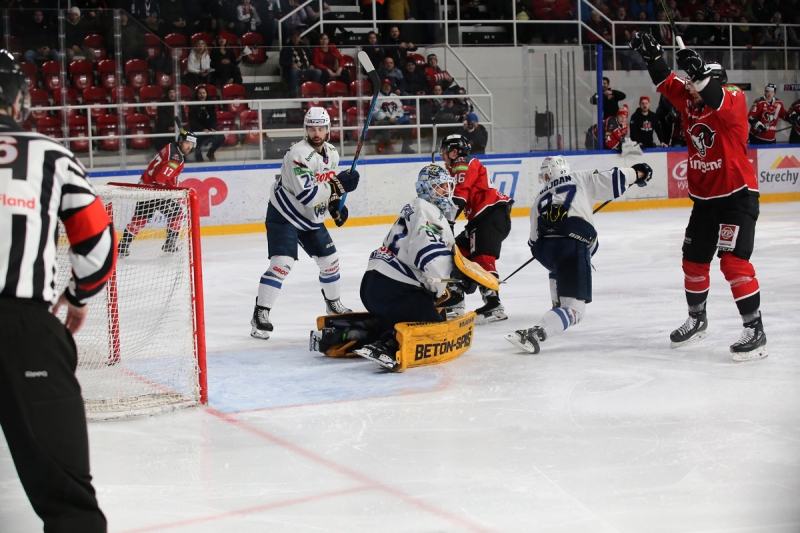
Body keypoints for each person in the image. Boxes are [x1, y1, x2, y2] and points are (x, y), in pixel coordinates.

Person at [0, 49, 112, 532]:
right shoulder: (48, 154)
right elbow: (97, 243)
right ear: (18, 100)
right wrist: (79, 296)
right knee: (70, 507)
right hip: (24, 328)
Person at [630, 31, 768, 361]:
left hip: (737, 197)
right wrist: (653, 56)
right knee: (692, 260)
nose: (688, 87)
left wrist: (700, 73)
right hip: (705, 201)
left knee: (733, 262)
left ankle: (755, 329)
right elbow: (666, 81)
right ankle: (697, 319)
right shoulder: (691, 102)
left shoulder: (732, 98)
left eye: (694, 82)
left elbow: (717, 97)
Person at [505, 156, 652, 354]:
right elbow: (614, 177)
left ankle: (558, 304)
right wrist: (638, 173)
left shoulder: (539, 196)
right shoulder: (579, 177)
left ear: (547, 175)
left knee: (558, 264)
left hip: (543, 249)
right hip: (572, 244)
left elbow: (533, 240)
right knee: (575, 309)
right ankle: (537, 332)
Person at [251, 107, 359, 339]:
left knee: (330, 262)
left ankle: (333, 304)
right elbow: (307, 196)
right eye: (312, 128)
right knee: (282, 264)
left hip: (311, 217)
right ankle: (260, 313)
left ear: (328, 129)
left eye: (321, 128)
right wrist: (339, 186)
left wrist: (335, 205)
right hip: (285, 214)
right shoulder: (298, 155)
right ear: (305, 129)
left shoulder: (332, 153)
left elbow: (327, 187)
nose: (316, 133)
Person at [354, 165, 457, 369]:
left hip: (375, 283)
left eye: (448, 185)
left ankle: (350, 334)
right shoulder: (428, 211)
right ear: (425, 188)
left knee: (396, 319)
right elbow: (429, 258)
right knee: (433, 331)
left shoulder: (414, 207)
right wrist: (449, 281)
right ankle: (387, 347)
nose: (446, 190)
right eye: (440, 186)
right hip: (397, 290)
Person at [438, 134, 513, 323]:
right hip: (482, 218)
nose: (442, 155)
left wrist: (447, 222)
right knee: (457, 253)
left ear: (454, 152)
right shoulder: (457, 167)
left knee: (482, 256)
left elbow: (459, 196)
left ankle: (493, 304)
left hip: (490, 214)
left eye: (444, 151)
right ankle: (455, 298)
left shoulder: (462, 163)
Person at [118, 129, 197, 257]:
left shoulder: (170, 146)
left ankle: (122, 246)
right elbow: (160, 180)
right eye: (187, 143)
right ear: (180, 141)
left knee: (140, 219)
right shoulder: (176, 159)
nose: (189, 147)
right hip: (156, 190)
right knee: (177, 214)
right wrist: (169, 195)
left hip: (144, 185)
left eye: (191, 144)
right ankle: (169, 245)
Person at [373, 78, 413, 154]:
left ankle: (406, 147)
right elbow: (376, 112)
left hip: (396, 119)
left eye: (388, 85)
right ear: (381, 86)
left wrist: (397, 117)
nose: (386, 87)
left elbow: (400, 109)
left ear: (390, 87)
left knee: (409, 122)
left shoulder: (395, 96)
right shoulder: (376, 97)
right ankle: (387, 147)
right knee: (383, 124)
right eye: (384, 85)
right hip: (384, 120)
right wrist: (389, 119)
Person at [279, 29, 322, 97]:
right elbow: (282, 62)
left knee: (317, 72)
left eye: (297, 37)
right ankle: (294, 93)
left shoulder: (304, 47)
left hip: (306, 70)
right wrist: (291, 65)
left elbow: (311, 58)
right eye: (294, 37)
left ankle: (313, 91)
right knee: (293, 71)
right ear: (291, 37)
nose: (296, 39)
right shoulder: (286, 48)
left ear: (300, 37)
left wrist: (311, 65)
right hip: (295, 71)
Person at [189, 85, 225, 162]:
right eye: (200, 93)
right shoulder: (192, 105)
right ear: (197, 94)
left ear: (206, 94)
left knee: (221, 137)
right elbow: (192, 121)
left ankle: (210, 153)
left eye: (204, 93)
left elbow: (213, 118)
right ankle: (198, 157)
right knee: (197, 142)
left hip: (209, 129)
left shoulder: (210, 104)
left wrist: (212, 127)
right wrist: (202, 129)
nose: (202, 95)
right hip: (197, 129)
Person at [154, 86, 189, 151]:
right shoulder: (162, 103)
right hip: (166, 128)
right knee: (172, 135)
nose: (172, 94)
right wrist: (174, 125)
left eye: (173, 92)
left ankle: (184, 150)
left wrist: (178, 125)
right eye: (170, 92)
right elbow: (163, 119)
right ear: (167, 94)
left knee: (186, 132)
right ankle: (172, 151)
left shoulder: (178, 102)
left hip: (179, 126)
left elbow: (183, 117)